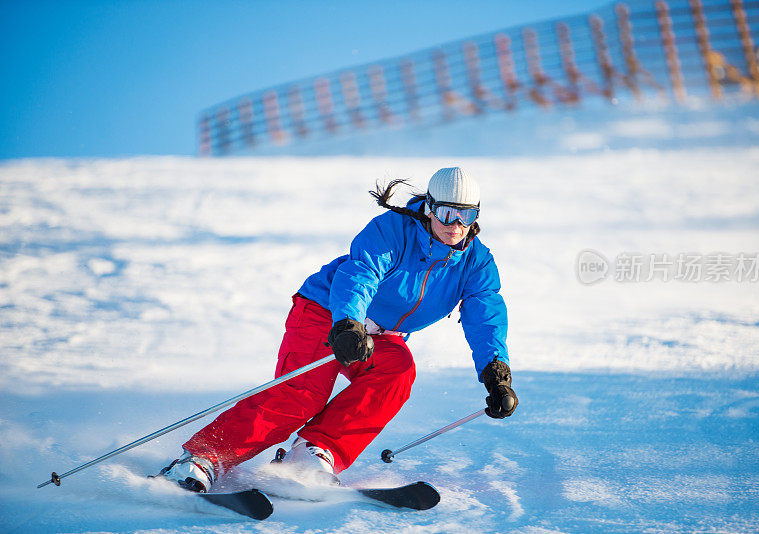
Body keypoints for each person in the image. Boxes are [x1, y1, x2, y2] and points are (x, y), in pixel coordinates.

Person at [157, 167, 518, 492]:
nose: (455, 225)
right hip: (326, 311)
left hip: (379, 334)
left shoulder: (476, 262)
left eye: (465, 215)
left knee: (397, 370)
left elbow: (485, 313)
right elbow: (360, 273)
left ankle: (315, 452)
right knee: (300, 395)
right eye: (446, 213)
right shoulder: (393, 231)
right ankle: (201, 460)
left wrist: (495, 372)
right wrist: (348, 323)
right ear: (429, 207)